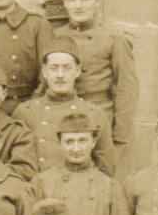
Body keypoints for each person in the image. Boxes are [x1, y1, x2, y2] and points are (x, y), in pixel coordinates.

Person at [29, 111, 129, 215]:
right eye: (69, 142)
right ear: (60, 144)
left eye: (82, 141)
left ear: (93, 142)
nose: (76, 148)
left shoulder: (110, 186)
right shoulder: (42, 182)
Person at [52, 0, 137, 161]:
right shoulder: (55, 37)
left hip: (99, 117)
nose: (78, 5)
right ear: (64, 3)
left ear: (96, 1)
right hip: (62, 115)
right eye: (72, 0)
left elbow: (127, 89)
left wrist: (119, 138)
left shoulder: (114, 38)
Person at [12, 40, 116, 177]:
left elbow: (105, 169)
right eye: (54, 68)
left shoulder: (94, 114)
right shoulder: (25, 111)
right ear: (44, 72)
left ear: (77, 71)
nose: (60, 75)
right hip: (35, 191)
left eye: (67, 68)